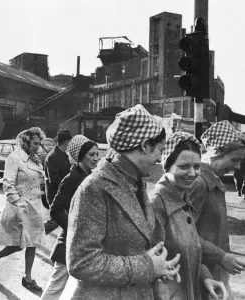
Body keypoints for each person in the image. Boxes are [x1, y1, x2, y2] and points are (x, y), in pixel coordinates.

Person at [60, 105, 181, 300]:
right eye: (160, 150)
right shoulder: (94, 188)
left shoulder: (135, 183)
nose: (160, 158)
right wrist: (148, 266)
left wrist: (157, 265)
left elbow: (130, 246)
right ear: (144, 145)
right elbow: (81, 262)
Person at [150, 132, 228, 300]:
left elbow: (190, 248)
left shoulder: (183, 198)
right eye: (184, 166)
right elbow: (153, 266)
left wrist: (206, 278)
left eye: (197, 166)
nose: (192, 173)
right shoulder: (156, 204)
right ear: (167, 165)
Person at [190, 120, 245, 299]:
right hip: (203, 273)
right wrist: (222, 257)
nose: (237, 167)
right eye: (234, 160)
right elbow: (184, 232)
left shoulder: (213, 179)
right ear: (217, 152)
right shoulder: (199, 183)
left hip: (215, 271)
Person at [41, 135, 99, 300]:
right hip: (70, 242)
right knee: (56, 286)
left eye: (97, 154)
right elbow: (56, 209)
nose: (96, 159)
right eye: (91, 155)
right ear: (80, 156)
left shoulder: (90, 177)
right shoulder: (72, 179)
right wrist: (74, 229)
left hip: (87, 243)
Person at [0, 127, 45, 292]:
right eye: (35, 143)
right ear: (27, 142)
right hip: (19, 207)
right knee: (17, 245)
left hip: (34, 207)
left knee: (33, 243)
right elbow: (8, 184)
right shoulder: (14, 158)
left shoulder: (35, 160)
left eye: (39, 143)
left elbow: (38, 182)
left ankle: (28, 278)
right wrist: (19, 204)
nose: (38, 146)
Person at [43, 129, 72, 234]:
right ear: (66, 142)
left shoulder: (63, 154)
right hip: (56, 195)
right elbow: (54, 180)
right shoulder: (53, 156)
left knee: (67, 223)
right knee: (56, 221)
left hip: (62, 195)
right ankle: (34, 236)